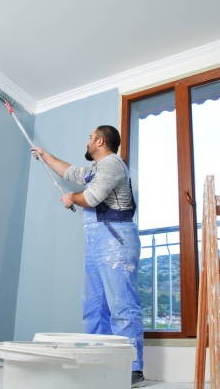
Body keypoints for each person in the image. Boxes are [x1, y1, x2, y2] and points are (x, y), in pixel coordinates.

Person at [31, 125, 145, 387]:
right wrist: (45, 156)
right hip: (97, 244)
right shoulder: (96, 168)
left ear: (100, 141)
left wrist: (71, 197)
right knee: (94, 307)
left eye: (90, 138)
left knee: (122, 305)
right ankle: (99, 363)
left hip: (116, 241)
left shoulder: (112, 164)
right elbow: (70, 171)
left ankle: (132, 368)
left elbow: (92, 198)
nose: (88, 141)